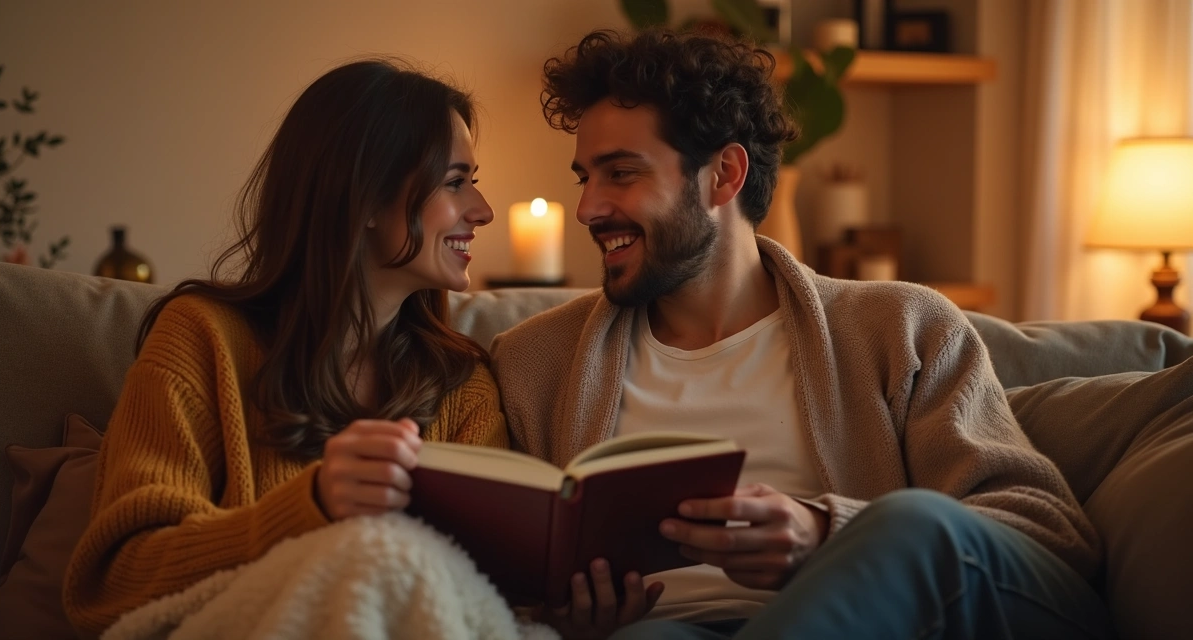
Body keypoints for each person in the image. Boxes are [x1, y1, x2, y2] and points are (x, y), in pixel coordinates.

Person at [491, 29, 1113, 639]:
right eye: (584, 178)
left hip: (868, 618)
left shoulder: (902, 330)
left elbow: (1046, 534)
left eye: (620, 173)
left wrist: (826, 534)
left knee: (912, 522)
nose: (588, 208)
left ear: (724, 175)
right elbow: (498, 583)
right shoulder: (533, 363)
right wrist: (563, 618)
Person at [64, 59, 506, 635]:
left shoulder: (463, 384)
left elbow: (491, 599)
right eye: (455, 182)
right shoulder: (202, 340)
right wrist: (310, 507)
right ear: (365, 195)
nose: (483, 210)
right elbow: (112, 585)